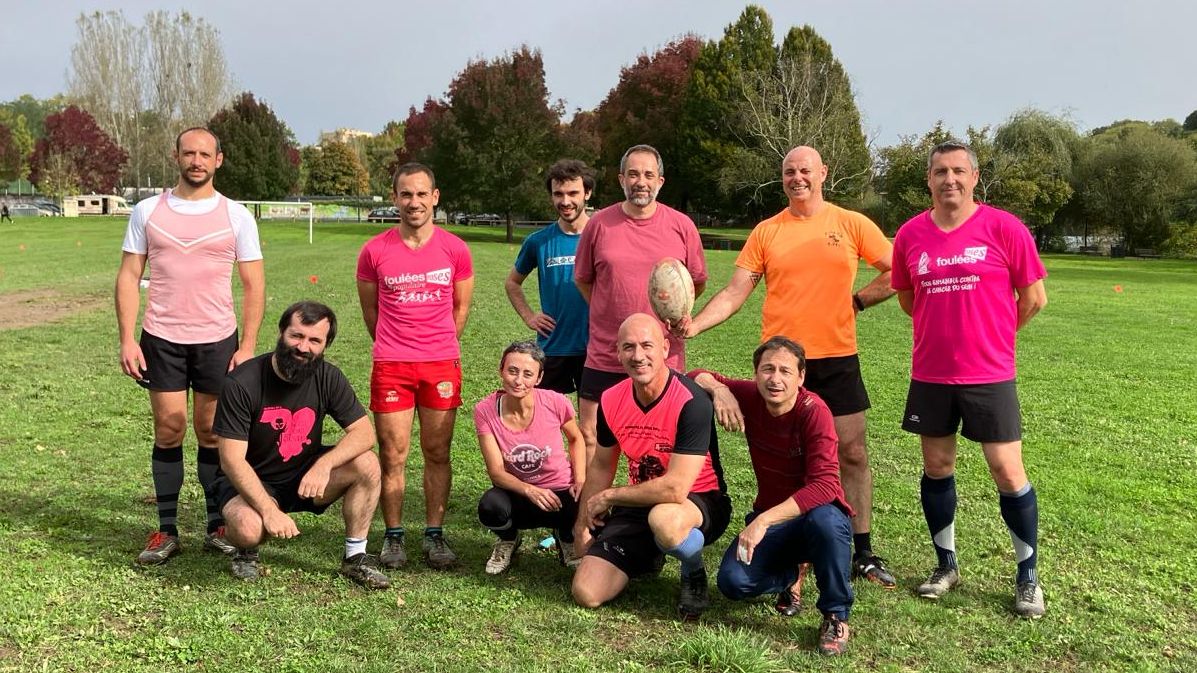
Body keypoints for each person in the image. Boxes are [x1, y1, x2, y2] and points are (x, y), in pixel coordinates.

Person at [681, 145, 897, 588]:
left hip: (836, 358)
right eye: (788, 172)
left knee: (851, 452)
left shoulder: (850, 223)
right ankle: (793, 544)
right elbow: (736, 290)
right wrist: (695, 325)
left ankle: (864, 550)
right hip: (781, 364)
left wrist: (856, 301)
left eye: (805, 170)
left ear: (823, 173)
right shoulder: (767, 231)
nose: (797, 178)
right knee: (783, 459)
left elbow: (897, 270)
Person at [891, 140, 1048, 618]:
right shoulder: (911, 234)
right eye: (941, 171)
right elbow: (906, 297)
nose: (950, 180)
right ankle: (946, 565)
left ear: (975, 177)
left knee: (1006, 470)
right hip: (932, 374)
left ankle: (1027, 576)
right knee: (937, 468)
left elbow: (1034, 297)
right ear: (929, 179)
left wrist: (996, 334)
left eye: (959, 171)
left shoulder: (1005, 227)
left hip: (990, 374)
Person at [114, 127, 265, 565]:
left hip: (218, 339)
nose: (196, 161)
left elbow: (253, 284)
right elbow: (128, 277)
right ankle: (166, 529)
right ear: (175, 156)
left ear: (219, 159)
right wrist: (127, 337)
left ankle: (217, 524)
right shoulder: (147, 211)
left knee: (212, 432)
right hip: (161, 338)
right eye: (188, 153)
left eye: (205, 154)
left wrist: (248, 344)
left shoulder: (236, 215)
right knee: (169, 429)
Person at [688, 336, 854, 655]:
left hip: (816, 516)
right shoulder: (751, 396)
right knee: (732, 583)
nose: (775, 379)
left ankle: (835, 614)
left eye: (785, 371)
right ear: (755, 373)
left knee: (826, 521)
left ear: (801, 377)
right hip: (775, 522)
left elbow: (825, 486)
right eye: (767, 369)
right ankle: (790, 574)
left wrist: (763, 520)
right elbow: (695, 374)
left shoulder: (813, 411)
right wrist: (721, 390)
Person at [209, 301, 389, 589]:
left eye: (314, 340)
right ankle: (246, 551)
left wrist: (324, 464)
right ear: (281, 333)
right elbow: (231, 460)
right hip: (254, 479)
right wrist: (268, 511)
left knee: (367, 463)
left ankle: (356, 558)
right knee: (247, 528)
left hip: (304, 474)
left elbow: (364, 433)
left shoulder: (328, 377)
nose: (303, 347)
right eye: (297, 336)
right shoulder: (242, 382)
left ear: (325, 345)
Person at [571, 314, 730, 620]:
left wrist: (609, 498)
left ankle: (693, 571)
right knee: (587, 593)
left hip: (697, 501)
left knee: (665, 521)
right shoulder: (610, 399)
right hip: (639, 501)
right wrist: (582, 525)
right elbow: (602, 465)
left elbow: (675, 487)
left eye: (647, 345)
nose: (638, 356)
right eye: (628, 347)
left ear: (666, 348)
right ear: (617, 352)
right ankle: (648, 554)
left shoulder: (692, 401)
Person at [356, 162, 474, 570]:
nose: (414, 202)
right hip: (392, 364)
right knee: (393, 455)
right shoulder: (375, 250)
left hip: (440, 363)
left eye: (422, 194)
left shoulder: (456, 249)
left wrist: (436, 343)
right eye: (406, 194)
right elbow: (371, 312)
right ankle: (393, 536)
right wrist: (397, 343)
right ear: (395, 198)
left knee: (437, 451)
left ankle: (435, 535)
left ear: (435, 197)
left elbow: (460, 309)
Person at [573, 144, 707, 468]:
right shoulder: (599, 224)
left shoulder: (681, 225)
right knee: (591, 435)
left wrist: (674, 313)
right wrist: (613, 318)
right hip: (606, 352)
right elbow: (583, 279)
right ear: (621, 179)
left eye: (648, 174)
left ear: (661, 181)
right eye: (633, 174)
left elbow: (697, 281)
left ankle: (658, 508)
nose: (641, 181)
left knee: (664, 437)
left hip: (663, 353)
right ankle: (589, 513)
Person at [474, 341, 587, 574]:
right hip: (517, 493)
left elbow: (576, 439)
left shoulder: (556, 402)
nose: (518, 381)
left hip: (558, 491)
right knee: (490, 507)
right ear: (501, 370)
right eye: (512, 371)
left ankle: (565, 537)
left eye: (528, 374)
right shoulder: (484, 410)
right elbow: (496, 471)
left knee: (587, 502)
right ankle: (508, 539)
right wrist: (530, 490)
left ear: (539, 377)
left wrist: (580, 479)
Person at [504, 159, 594, 395]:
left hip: (596, 348)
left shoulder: (604, 237)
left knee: (595, 425)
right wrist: (529, 316)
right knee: (547, 423)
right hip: (553, 347)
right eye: (558, 194)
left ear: (588, 193)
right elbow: (512, 282)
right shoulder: (538, 241)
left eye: (573, 193)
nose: (565, 201)